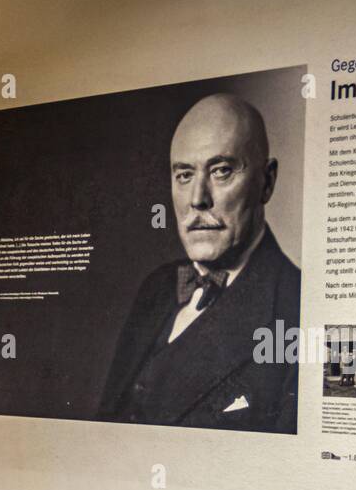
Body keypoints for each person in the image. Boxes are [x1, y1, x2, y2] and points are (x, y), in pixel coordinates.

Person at [97, 93, 300, 433]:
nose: (197, 199)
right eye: (184, 175)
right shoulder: (157, 286)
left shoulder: (297, 308)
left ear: (267, 182)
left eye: (221, 171)